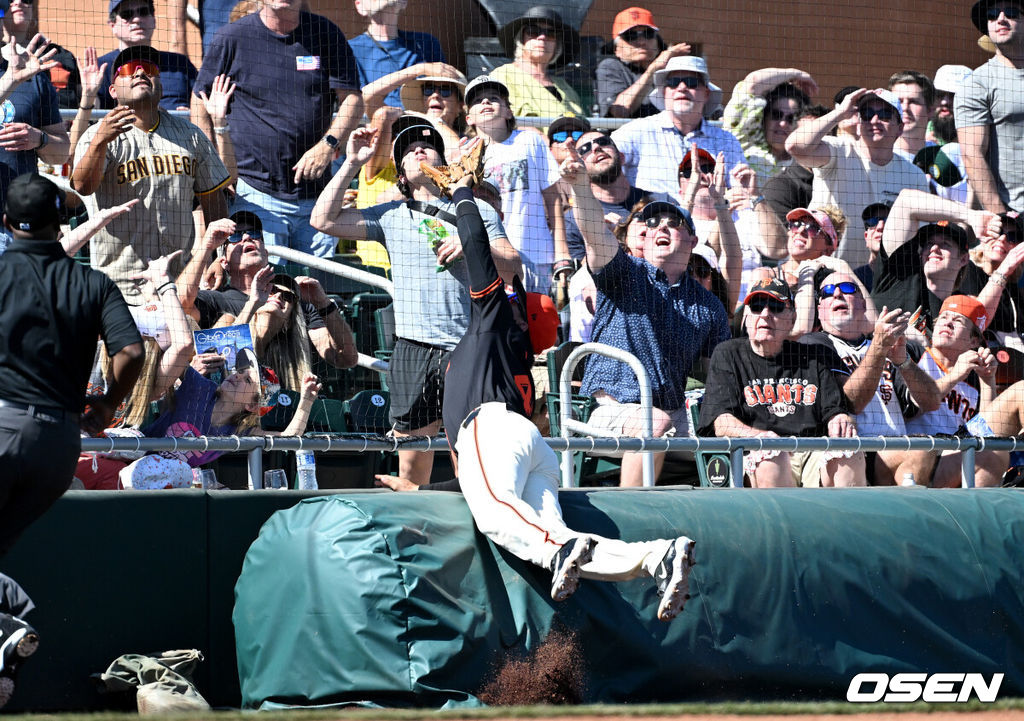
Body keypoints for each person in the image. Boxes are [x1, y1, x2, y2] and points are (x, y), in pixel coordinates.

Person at [378, 161, 698, 623]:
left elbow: (476, 250)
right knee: (546, 533)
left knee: (513, 527)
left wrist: (464, 195)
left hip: (491, 430)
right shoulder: (507, 342)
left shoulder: (494, 320)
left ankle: (566, 549)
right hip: (528, 446)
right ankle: (654, 557)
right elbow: (486, 483)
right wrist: (420, 488)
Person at [0, 174, 144, 704]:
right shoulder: (94, 282)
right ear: (62, 224)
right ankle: (7, 625)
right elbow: (131, 354)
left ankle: (5, 624)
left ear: (6, 223)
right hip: (60, 444)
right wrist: (106, 405)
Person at [310, 124, 520, 485]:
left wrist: (472, 244)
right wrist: (352, 162)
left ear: (445, 162)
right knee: (411, 464)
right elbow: (322, 220)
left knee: (470, 454)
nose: (419, 150)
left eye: (428, 146)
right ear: (401, 173)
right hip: (413, 347)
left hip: (468, 347)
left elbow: (513, 266)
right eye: (409, 150)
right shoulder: (391, 214)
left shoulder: (476, 209)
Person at [568, 146, 730, 487]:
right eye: (653, 221)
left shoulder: (708, 305)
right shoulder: (626, 274)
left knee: (735, 435)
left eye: (674, 223)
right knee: (653, 424)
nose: (661, 227)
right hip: (607, 410)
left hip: (674, 413)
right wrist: (581, 186)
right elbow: (596, 236)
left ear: (693, 239)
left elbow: (723, 370)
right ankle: (635, 517)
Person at [191, 0, 364, 258]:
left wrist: (328, 144)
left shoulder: (326, 33)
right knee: (267, 286)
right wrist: (213, 167)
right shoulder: (232, 37)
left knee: (316, 288)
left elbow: (352, 99)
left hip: (316, 199)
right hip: (256, 194)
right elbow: (199, 101)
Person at [71, 45, 230, 303]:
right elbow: (82, 186)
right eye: (129, 70)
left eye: (150, 69)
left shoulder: (190, 135)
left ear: (161, 87)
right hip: (119, 285)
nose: (140, 73)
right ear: (112, 91)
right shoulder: (96, 135)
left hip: (180, 283)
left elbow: (214, 201)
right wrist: (100, 141)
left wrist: (219, 256)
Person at [697, 278, 865, 488]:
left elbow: (835, 410)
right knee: (771, 457)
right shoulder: (728, 354)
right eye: (757, 307)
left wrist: (840, 418)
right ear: (747, 317)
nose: (765, 314)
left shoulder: (813, 356)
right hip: (758, 452)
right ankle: (784, 522)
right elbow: (721, 422)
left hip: (812, 451)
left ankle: (842, 521)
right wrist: (761, 437)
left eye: (776, 307)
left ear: (791, 319)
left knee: (848, 455)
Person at [799, 270, 942, 485]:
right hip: (848, 453)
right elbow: (850, 403)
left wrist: (903, 361)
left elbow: (932, 402)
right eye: (827, 292)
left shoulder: (887, 345)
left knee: (924, 448)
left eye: (847, 289)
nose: (837, 294)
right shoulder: (813, 344)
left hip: (892, 451)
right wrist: (879, 346)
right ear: (819, 311)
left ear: (864, 304)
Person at [177, 211, 358, 370]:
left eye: (255, 234)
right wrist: (206, 247)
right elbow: (180, 304)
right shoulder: (215, 300)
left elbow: (345, 358)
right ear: (224, 262)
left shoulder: (291, 299)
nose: (247, 238)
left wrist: (324, 304)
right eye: (235, 236)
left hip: (295, 398)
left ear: (266, 254)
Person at [785, 87, 930, 268]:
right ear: (859, 124)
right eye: (867, 114)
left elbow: (922, 236)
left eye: (884, 115)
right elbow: (795, 147)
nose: (874, 120)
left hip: (881, 281)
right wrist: (839, 113)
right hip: (824, 272)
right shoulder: (839, 151)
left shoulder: (912, 175)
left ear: (900, 128)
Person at [464, 75, 566, 295]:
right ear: (468, 118)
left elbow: (553, 198)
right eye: (477, 101)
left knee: (540, 325)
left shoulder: (530, 140)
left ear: (509, 111)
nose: (485, 103)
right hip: (492, 259)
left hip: (537, 254)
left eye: (493, 98)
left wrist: (561, 254)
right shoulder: (463, 154)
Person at [611, 55, 746, 198]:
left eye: (691, 82)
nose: (682, 88)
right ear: (664, 92)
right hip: (652, 218)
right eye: (674, 82)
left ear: (706, 93)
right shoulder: (635, 131)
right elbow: (602, 174)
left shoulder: (726, 141)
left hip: (710, 218)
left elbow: (740, 191)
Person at [873, 189, 1001, 337]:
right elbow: (906, 201)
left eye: (945, 244)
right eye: (928, 243)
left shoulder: (956, 313)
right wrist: (970, 216)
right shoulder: (899, 274)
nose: (934, 248)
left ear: (963, 259)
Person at [957, 0, 1024, 214]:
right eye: (993, 14)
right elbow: (972, 154)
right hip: (1016, 213)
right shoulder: (977, 83)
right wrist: (1003, 220)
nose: (1001, 19)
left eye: (1011, 12)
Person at [0, 33, 70, 220]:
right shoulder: (16, 76)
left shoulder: (32, 76)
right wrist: (9, 81)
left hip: (22, 218)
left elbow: (62, 152)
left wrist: (40, 139)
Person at [561, 129, 650, 262]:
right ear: (580, 164)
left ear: (622, 157)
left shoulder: (657, 202)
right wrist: (600, 240)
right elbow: (577, 278)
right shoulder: (573, 220)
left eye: (603, 142)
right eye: (585, 149)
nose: (596, 148)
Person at [95, 0, 197, 112]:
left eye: (143, 12)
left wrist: (190, 117)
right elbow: (93, 118)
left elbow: (204, 104)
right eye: (126, 15)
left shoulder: (179, 63)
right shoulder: (101, 67)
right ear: (113, 25)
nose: (137, 19)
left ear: (154, 20)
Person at [594, 6, 690, 119]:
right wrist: (653, 70)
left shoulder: (670, 68)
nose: (642, 41)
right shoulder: (610, 66)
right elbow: (618, 112)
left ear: (658, 42)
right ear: (617, 49)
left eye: (648, 34)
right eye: (631, 36)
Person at [490, 6, 584, 120]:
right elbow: (507, 123)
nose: (542, 37)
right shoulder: (503, 75)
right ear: (521, 39)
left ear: (557, 45)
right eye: (533, 31)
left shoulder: (565, 87)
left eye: (551, 33)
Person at [722, 67, 816, 181]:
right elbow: (753, 83)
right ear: (765, 117)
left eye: (791, 118)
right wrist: (796, 74)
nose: (782, 123)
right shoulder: (743, 141)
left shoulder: (805, 163)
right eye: (776, 115)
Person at [347, 0, 444, 110]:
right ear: (360, 6)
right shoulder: (349, 50)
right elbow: (361, 100)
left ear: (404, 2)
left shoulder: (426, 43)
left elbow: (449, 90)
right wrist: (419, 69)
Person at [1, 0, 80, 109]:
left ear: (33, 10)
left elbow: (81, 96)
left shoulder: (59, 55)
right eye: (10, 0)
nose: (18, 2)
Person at [887, 70, 936, 160]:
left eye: (913, 101)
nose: (904, 108)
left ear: (930, 111)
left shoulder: (942, 157)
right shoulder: (879, 157)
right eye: (899, 101)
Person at [852, 200, 891, 290]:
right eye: (873, 221)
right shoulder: (855, 278)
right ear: (866, 237)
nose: (880, 227)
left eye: (888, 221)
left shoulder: (910, 277)